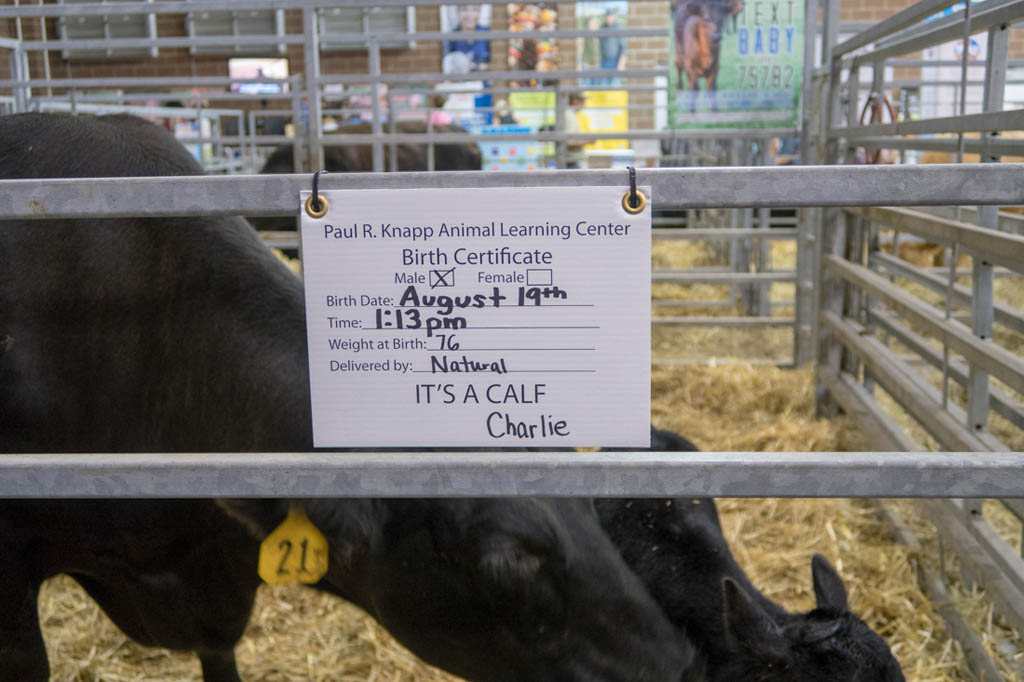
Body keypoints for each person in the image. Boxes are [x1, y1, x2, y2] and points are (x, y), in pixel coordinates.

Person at [443, 5, 490, 73]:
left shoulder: (487, 33)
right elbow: (448, 66)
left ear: (479, 12)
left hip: (482, 82)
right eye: (464, 9)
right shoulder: (451, 37)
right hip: (460, 82)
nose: (469, 14)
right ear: (458, 12)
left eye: (474, 9)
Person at [599, 9, 627, 85]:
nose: (609, 18)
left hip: (615, 61)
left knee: (615, 85)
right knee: (603, 86)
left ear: (614, 16)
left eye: (610, 16)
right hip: (604, 62)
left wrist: (621, 63)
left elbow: (623, 47)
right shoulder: (602, 27)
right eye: (607, 16)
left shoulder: (618, 28)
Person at [564, 92, 587, 169]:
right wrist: (587, 141)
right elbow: (569, 142)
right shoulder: (569, 115)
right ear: (575, 101)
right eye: (582, 101)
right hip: (571, 162)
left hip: (572, 162)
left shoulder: (572, 114)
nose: (584, 104)